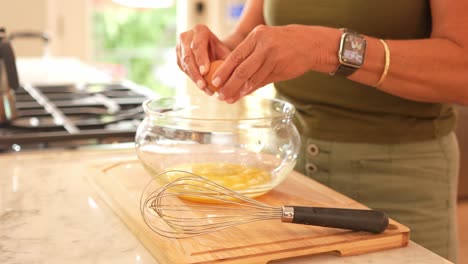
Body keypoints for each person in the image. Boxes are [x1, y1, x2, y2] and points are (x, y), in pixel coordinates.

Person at [176, 0, 468, 261]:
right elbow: (251, 34)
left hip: (396, 181)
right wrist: (225, 55)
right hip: (288, 174)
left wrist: (329, 48)